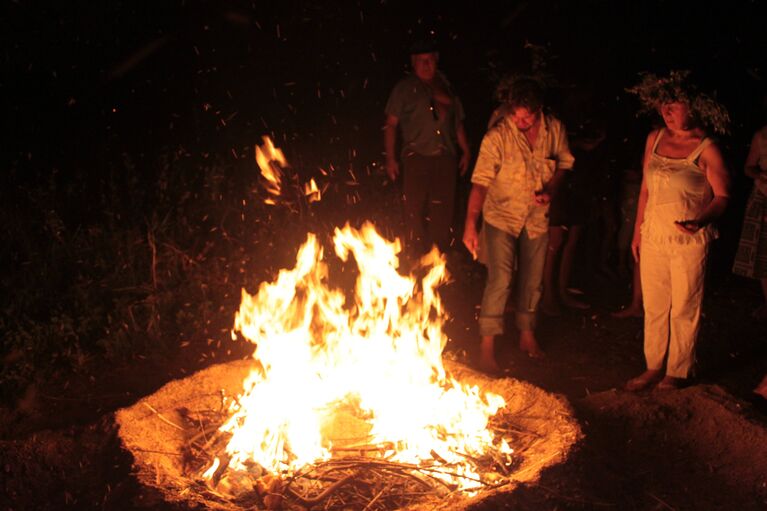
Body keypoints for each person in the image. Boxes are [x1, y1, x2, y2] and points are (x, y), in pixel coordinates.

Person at [624, 71, 731, 391]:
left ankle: (678, 370)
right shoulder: (654, 138)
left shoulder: (707, 148)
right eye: (662, 106)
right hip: (655, 234)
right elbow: (645, 189)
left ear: (694, 107)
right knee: (655, 304)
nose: (666, 112)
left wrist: (701, 220)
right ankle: (653, 366)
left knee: (685, 305)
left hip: (689, 240)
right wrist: (637, 232)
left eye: (673, 106)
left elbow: (723, 196)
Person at [463, 77, 574, 373]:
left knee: (533, 279)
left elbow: (564, 163)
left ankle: (527, 335)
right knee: (500, 278)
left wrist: (551, 189)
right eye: (515, 114)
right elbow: (480, 184)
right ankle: (486, 347)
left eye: (526, 116)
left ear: (539, 110)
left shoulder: (555, 130)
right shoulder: (497, 137)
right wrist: (470, 225)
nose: (520, 121)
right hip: (501, 215)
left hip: (537, 217)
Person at [384, 38, 471, 254]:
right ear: (413, 63)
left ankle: (437, 260)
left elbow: (457, 122)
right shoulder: (404, 89)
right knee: (414, 210)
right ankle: (414, 255)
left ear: (436, 60)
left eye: (430, 60)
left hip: (445, 157)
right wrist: (390, 158)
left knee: (442, 211)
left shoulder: (446, 85)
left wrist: (466, 151)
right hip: (416, 157)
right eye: (421, 60)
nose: (426, 64)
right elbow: (391, 124)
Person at [732, 123, 767, 321]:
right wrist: (760, 174)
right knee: (764, 253)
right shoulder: (761, 135)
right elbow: (748, 167)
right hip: (763, 196)